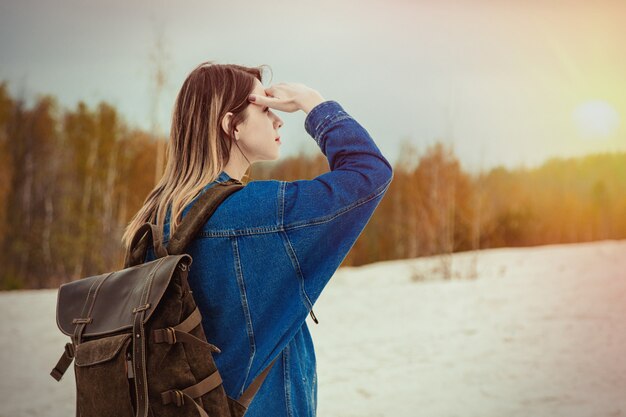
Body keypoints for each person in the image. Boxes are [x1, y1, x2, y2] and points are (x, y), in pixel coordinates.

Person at [122, 61, 393, 417]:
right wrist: (314, 103)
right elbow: (369, 172)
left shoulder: (153, 220)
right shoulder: (258, 214)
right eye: (265, 108)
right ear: (231, 125)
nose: (280, 119)